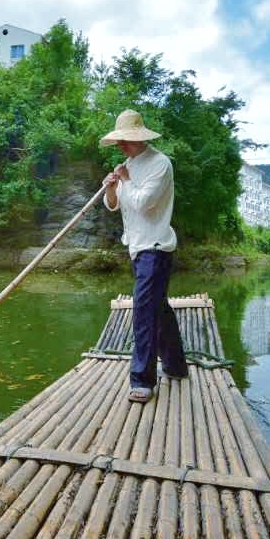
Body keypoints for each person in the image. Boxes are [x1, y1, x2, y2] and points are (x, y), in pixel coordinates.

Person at [100, 109, 188, 402]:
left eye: (125, 140)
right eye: (119, 141)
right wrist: (111, 187)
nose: (121, 146)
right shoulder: (127, 165)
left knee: (144, 311)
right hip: (137, 247)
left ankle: (142, 381)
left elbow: (144, 203)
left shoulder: (160, 164)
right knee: (157, 307)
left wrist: (125, 181)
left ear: (139, 138)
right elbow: (114, 205)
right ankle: (175, 366)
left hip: (155, 247)